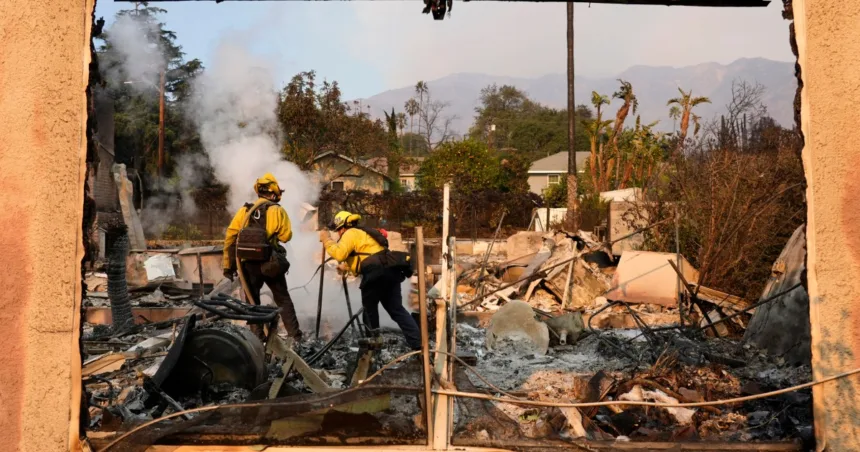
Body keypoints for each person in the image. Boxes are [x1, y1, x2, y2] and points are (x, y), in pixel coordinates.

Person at [319, 211, 422, 350]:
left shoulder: (351, 233)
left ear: (343, 227)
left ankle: (373, 347)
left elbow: (339, 253)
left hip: (375, 273)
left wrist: (327, 240)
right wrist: (347, 267)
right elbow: (365, 256)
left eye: (338, 230)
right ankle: (418, 345)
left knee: (369, 310)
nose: (338, 233)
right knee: (397, 310)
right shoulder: (364, 233)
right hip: (390, 271)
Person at [223, 173, 303, 342]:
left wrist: (228, 266)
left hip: (248, 265)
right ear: (274, 193)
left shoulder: (245, 210)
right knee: (282, 299)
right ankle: (295, 338)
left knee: (252, 303)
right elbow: (285, 236)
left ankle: (257, 339)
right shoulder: (277, 210)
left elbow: (230, 237)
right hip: (270, 263)